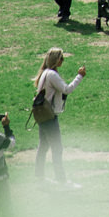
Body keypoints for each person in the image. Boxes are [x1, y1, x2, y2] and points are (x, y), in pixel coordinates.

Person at [31, 48, 84, 186]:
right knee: (57, 148)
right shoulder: (52, 75)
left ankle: (39, 176)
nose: (63, 61)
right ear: (56, 60)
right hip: (49, 117)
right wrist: (79, 76)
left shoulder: (45, 73)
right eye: (61, 58)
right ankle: (61, 179)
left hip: (42, 115)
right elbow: (67, 89)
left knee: (43, 146)